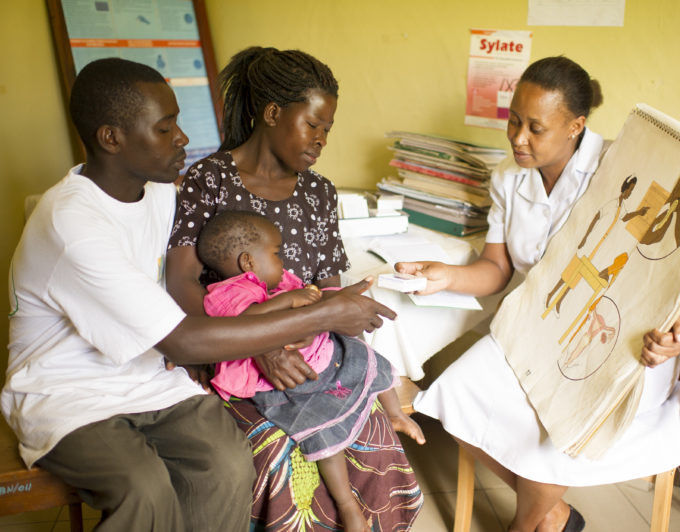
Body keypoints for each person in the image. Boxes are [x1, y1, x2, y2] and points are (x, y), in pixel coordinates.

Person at [2, 57, 395, 532]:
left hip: (148, 377)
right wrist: (320, 315)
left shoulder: (161, 194)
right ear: (112, 139)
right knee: (143, 488)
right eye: (166, 129)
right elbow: (184, 340)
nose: (182, 139)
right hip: (66, 392)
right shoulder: (72, 224)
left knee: (228, 465)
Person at [397, 56, 680, 532]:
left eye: (536, 127)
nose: (517, 138)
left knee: (553, 427)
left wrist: (673, 329)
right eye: (513, 121)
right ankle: (553, 515)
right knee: (452, 393)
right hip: (537, 330)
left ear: (576, 125)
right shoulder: (508, 181)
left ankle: (527, 526)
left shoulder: (627, 170)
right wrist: (445, 275)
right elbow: (496, 269)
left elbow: (660, 271)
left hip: (615, 338)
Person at [166, 47, 422, 530]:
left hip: (311, 351)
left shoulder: (318, 192)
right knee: (276, 446)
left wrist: (338, 324)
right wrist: (255, 345)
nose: (323, 138)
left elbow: (329, 292)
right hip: (229, 357)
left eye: (328, 128)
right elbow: (180, 279)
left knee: (369, 426)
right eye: (314, 124)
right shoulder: (210, 179)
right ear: (272, 113)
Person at [196, 210, 424, 531]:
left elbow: (318, 302)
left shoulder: (281, 282)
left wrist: (341, 298)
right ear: (248, 261)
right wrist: (290, 300)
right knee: (321, 434)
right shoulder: (227, 294)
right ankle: (347, 507)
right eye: (276, 253)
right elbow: (247, 321)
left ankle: (395, 414)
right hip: (287, 384)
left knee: (368, 358)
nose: (282, 259)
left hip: (324, 357)